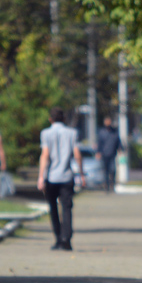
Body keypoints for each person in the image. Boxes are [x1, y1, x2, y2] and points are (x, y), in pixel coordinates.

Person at [38, 107, 83, 251]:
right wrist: (81, 173)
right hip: (67, 176)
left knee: (53, 208)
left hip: (51, 177)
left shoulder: (45, 133)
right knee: (67, 208)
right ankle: (66, 239)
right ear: (64, 119)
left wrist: (41, 177)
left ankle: (58, 238)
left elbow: (45, 155)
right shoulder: (72, 133)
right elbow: (77, 154)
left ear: (50, 119)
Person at [96, 116, 122, 193]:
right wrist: (98, 152)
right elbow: (99, 143)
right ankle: (106, 186)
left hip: (112, 154)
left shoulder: (114, 132)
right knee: (105, 171)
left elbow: (118, 142)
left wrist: (120, 149)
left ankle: (112, 185)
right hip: (104, 154)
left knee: (113, 170)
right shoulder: (102, 132)